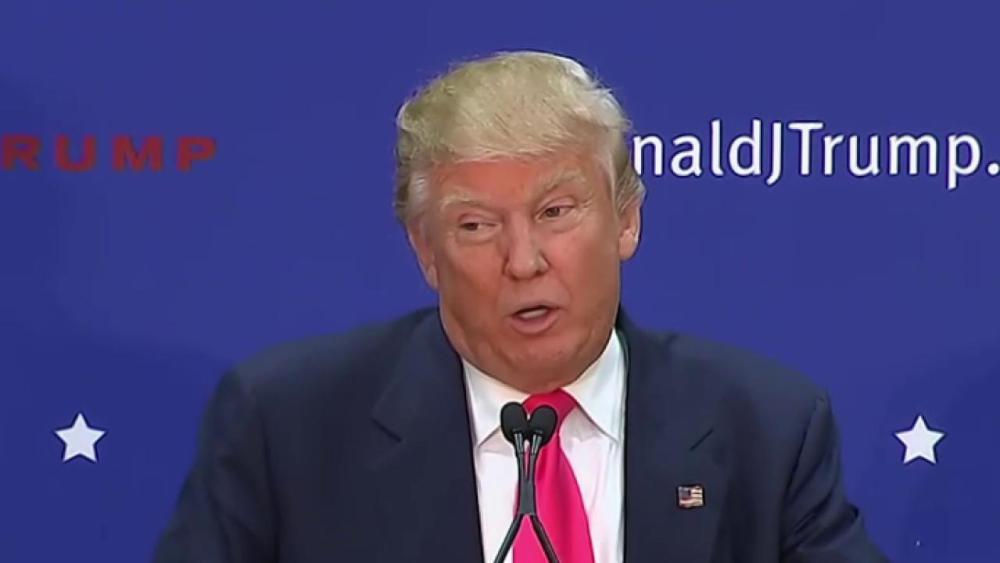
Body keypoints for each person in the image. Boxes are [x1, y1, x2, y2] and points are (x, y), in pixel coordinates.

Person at [153, 51, 887, 562]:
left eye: (556, 212)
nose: (523, 260)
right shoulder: (289, 427)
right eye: (476, 226)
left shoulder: (764, 427)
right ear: (426, 251)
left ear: (626, 219)